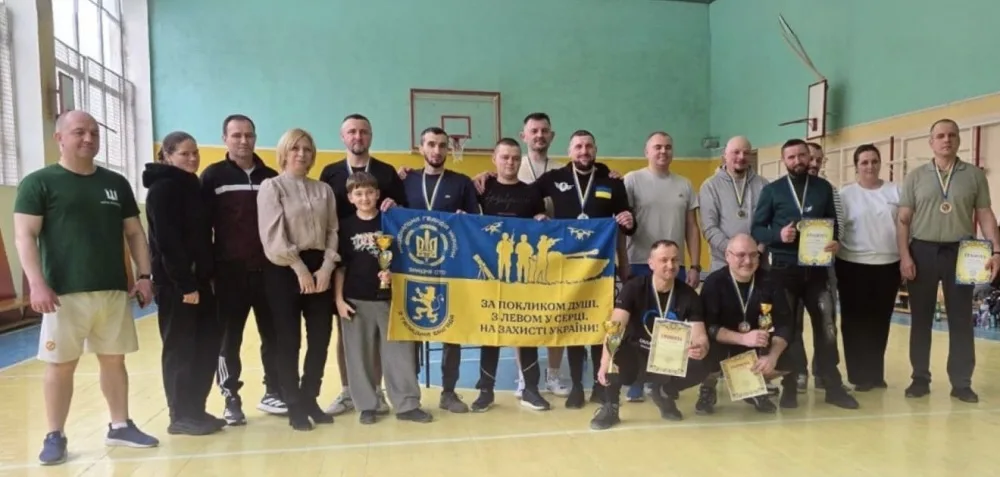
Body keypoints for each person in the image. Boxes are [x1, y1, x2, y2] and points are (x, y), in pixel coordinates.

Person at [14, 110, 159, 465]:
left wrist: (145, 275)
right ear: (59, 138)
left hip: (111, 290)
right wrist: (37, 284)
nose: (89, 138)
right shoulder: (38, 183)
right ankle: (55, 434)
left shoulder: (116, 183)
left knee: (114, 360)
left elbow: (134, 232)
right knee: (60, 364)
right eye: (79, 132)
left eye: (94, 132)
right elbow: (25, 236)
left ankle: (120, 425)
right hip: (62, 294)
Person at [897, 119, 999, 403]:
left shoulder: (974, 175)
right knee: (920, 319)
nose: (946, 140)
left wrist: (997, 251)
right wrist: (904, 255)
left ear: (959, 140)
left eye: (952, 135)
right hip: (922, 250)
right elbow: (903, 220)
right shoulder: (916, 176)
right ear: (931, 142)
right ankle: (919, 378)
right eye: (940, 136)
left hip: (961, 252)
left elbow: (986, 214)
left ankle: (962, 383)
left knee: (962, 319)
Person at [751, 138, 858, 410]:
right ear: (784, 160)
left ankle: (833, 385)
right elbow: (757, 229)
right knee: (789, 328)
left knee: (827, 327)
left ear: (809, 157)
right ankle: (790, 384)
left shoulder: (823, 188)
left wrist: (835, 241)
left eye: (801, 155)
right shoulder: (772, 190)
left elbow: (835, 225)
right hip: (783, 272)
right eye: (791, 157)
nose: (797, 161)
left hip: (817, 271)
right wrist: (778, 235)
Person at [534, 130, 635, 407]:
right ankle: (577, 385)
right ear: (569, 151)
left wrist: (629, 220)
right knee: (575, 324)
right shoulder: (554, 178)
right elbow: (526, 197)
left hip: (602, 268)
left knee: (603, 325)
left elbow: (628, 222)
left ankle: (600, 384)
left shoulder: (611, 181)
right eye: (578, 146)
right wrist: (537, 213)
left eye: (588, 146)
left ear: (595, 149)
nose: (584, 151)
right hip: (567, 269)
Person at [200, 114, 284, 424]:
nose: (243, 141)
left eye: (248, 135)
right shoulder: (212, 177)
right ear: (225, 138)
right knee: (228, 339)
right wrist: (208, 271)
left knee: (273, 335)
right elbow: (202, 227)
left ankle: (274, 391)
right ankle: (230, 397)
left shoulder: (271, 177)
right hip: (229, 275)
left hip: (269, 272)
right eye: (236, 135)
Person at [319, 113, 405, 416]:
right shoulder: (330, 172)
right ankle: (349, 392)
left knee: (380, 337)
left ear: (371, 136)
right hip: (347, 259)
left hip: (380, 267)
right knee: (349, 336)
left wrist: (395, 204)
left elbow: (402, 212)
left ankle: (377, 393)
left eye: (364, 132)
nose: (358, 136)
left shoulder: (387, 172)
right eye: (352, 132)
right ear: (343, 137)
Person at [143, 131, 226, 436]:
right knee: (180, 349)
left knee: (205, 346)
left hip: (201, 282)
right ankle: (179, 414)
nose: (192, 158)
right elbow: (167, 242)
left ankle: (196, 409)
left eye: (195, 153)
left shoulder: (193, 186)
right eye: (184, 154)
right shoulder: (162, 190)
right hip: (178, 286)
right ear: (167, 155)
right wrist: (185, 283)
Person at [257, 128, 340, 430]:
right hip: (285, 270)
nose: (301, 154)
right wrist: (299, 268)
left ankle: (310, 398)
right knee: (288, 340)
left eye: (306, 149)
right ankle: (292, 403)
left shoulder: (324, 190)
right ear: (284, 152)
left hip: (320, 267)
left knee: (320, 337)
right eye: (295, 148)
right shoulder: (272, 187)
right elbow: (273, 235)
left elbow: (333, 230)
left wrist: (327, 267)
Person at [335, 171, 433, 424]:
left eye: (369, 192)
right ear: (350, 197)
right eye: (358, 193)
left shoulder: (391, 221)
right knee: (359, 356)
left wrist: (394, 276)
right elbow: (340, 267)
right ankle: (368, 405)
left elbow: (407, 259)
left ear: (378, 194)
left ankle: (407, 404)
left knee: (400, 355)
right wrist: (339, 300)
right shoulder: (344, 226)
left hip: (391, 299)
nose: (365, 198)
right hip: (356, 300)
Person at [590, 240, 709, 430]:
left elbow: (700, 334)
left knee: (703, 363)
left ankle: (664, 391)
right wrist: (605, 362)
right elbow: (615, 328)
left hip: (667, 356)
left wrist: (700, 347)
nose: (670, 265)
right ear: (651, 263)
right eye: (664, 260)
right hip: (636, 353)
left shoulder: (689, 295)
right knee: (613, 351)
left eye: (674, 260)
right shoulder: (634, 288)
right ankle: (610, 406)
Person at [401, 126, 480, 413]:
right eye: (431, 144)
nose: (437, 150)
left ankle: (448, 392)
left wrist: (465, 218)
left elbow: (475, 222)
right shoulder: (405, 180)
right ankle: (409, 395)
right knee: (410, 332)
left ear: (449, 149)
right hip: (413, 268)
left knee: (452, 330)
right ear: (421, 148)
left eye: (442, 145)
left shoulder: (462, 183)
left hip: (450, 269)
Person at [622, 131, 702, 402]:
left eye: (668, 147)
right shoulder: (632, 180)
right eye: (657, 147)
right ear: (646, 151)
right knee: (638, 326)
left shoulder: (685, 184)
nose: (663, 151)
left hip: (673, 266)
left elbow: (692, 227)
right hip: (639, 263)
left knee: (670, 324)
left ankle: (662, 380)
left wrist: (695, 265)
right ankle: (636, 380)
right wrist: (623, 261)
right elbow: (622, 222)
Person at [474, 138, 551, 412]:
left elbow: (541, 226)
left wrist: (542, 221)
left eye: (515, 158)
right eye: (505, 157)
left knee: (525, 330)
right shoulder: (480, 188)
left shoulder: (531, 193)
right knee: (490, 333)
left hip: (522, 275)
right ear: (494, 159)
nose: (510, 162)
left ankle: (531, 389)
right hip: (490, 274)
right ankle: (485, 391)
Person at [699, 234, 790, 414]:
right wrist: (742, 338)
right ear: (728, 256)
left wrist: (772, 357)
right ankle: (708, 386)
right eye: (741, 255)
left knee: (794, 355)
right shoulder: (714, 283)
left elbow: (784, 323)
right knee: (704, 347)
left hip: (756, 345)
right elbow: (708, 327)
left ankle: (756, 385)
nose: (748, 261)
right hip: (724, 343)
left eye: (753, 255)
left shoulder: (771, 281)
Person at [835, 144, 901, 391]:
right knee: (855, 323)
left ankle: (875, 373)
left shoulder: (896, 191)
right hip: (852, 266)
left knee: (880, 322)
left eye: (874, 161)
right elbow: (837, 230)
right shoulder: (845, 195)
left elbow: (905, 226)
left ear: (880, 163)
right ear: (856, 166)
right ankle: (858, 376)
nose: (870, 166)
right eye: (864, 162)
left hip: (888, 265)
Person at [699, 136, 769, 275]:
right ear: (724, 155)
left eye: (746, 153)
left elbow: (770, 223)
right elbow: (709, 228)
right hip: (723, 263)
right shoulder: (710, 186)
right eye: (736, 152)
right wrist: (735, 253)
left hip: (758, 262)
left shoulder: (763, 185)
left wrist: (756, 252)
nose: (741, 157)